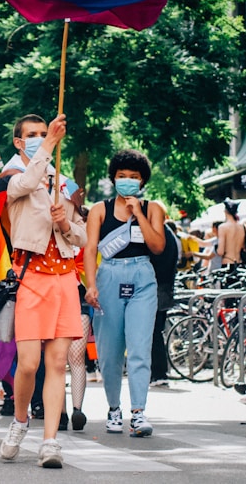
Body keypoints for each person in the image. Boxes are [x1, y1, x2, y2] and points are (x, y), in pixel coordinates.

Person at [0, 113, 86, 468]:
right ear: (19, 142)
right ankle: (20, 421)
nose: (39, 138)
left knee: (58, 363)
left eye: (44, 133)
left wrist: (65, 224)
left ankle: (50, 442)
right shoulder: (11, 176)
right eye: (31, 135)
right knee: (29, 364)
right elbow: (26, 183)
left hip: (64, 278)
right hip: (30, 277)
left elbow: (82, 236)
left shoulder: (66, 183)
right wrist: (47, 146)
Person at [84, 149, 166, 438]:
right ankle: (114, 408)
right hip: (109, 275)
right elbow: (90, 249)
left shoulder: (153, 208)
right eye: (122, 176)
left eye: (134, 177)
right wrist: (90, 284)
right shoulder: (99, 210)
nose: (127, 181)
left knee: (140, 348)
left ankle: (138, 412)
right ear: (113, 178)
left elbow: (157, 246)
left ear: (142, 180)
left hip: (142, 275)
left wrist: (138, 214)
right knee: (109, 352)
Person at [150, 219, 180, 387]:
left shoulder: (160, 234)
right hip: (165, 287)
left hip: (157, 287)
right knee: (156, 331)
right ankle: (159, 372)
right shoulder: (168, 233)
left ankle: (158, 373)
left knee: (153, 332)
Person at [216, 199, 246, 267]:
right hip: (240, 262)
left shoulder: (222, 227)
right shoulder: (244, 227)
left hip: (227, 262)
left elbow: (220, 251)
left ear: (225, 211)